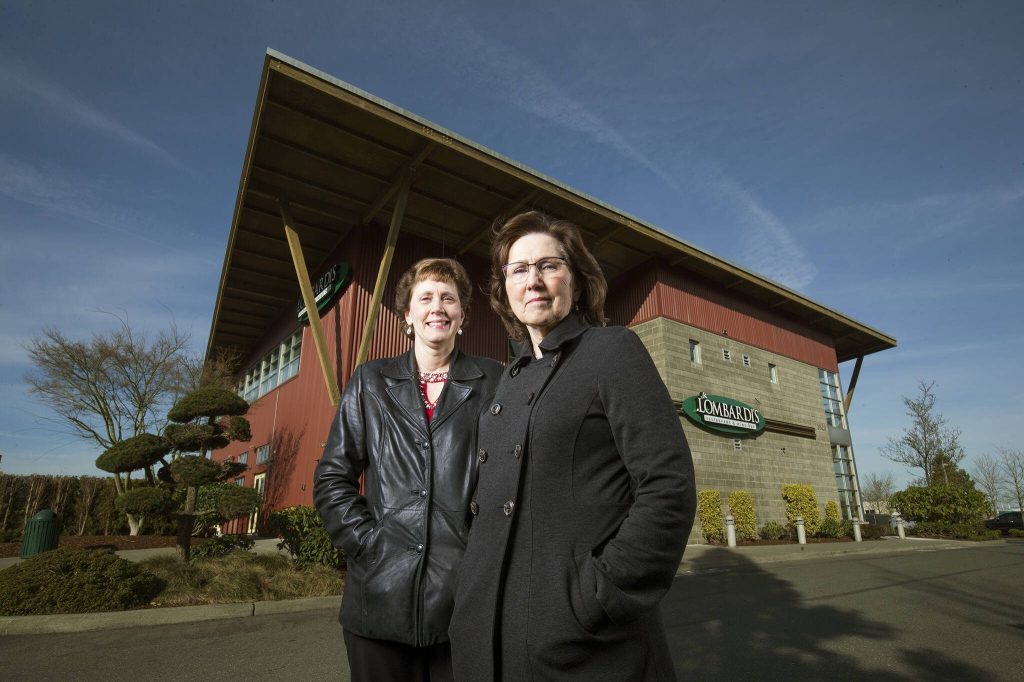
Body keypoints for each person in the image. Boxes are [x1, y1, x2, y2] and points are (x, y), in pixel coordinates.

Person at [449, 211, 697, 681]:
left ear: (577, 281)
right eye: (518, 270)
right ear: (505, 290)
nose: (533, 280)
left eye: (549, 265)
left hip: (581, 645)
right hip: (487, 637)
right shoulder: (505, 383)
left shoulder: (612, 351)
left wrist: (597, 598)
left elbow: (668, 486)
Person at [314, 257, 502, 682]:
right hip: (378, 599)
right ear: (407, 316)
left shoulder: (493, 380)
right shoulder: (370, 382)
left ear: (462, 316)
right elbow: (332, 476)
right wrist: (368, 543)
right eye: (426, 297)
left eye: (449, 299)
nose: (437, 306)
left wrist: (481, 554)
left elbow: (509, 475)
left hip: (463, 602)